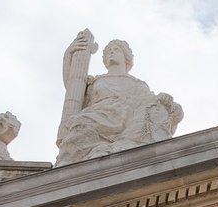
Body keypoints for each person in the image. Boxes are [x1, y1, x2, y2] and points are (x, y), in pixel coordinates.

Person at [56, 31, 182, 164]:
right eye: (108, 50)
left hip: (126, 117)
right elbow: (73, 86)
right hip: (95, 117)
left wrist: (164, 100)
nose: (111, 52)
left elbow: (148, 103)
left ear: (126, 57)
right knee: (79, 129)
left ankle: (129, 145)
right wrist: (68, 55)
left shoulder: (137, 84)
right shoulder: (94, 81)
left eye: (116, 50)